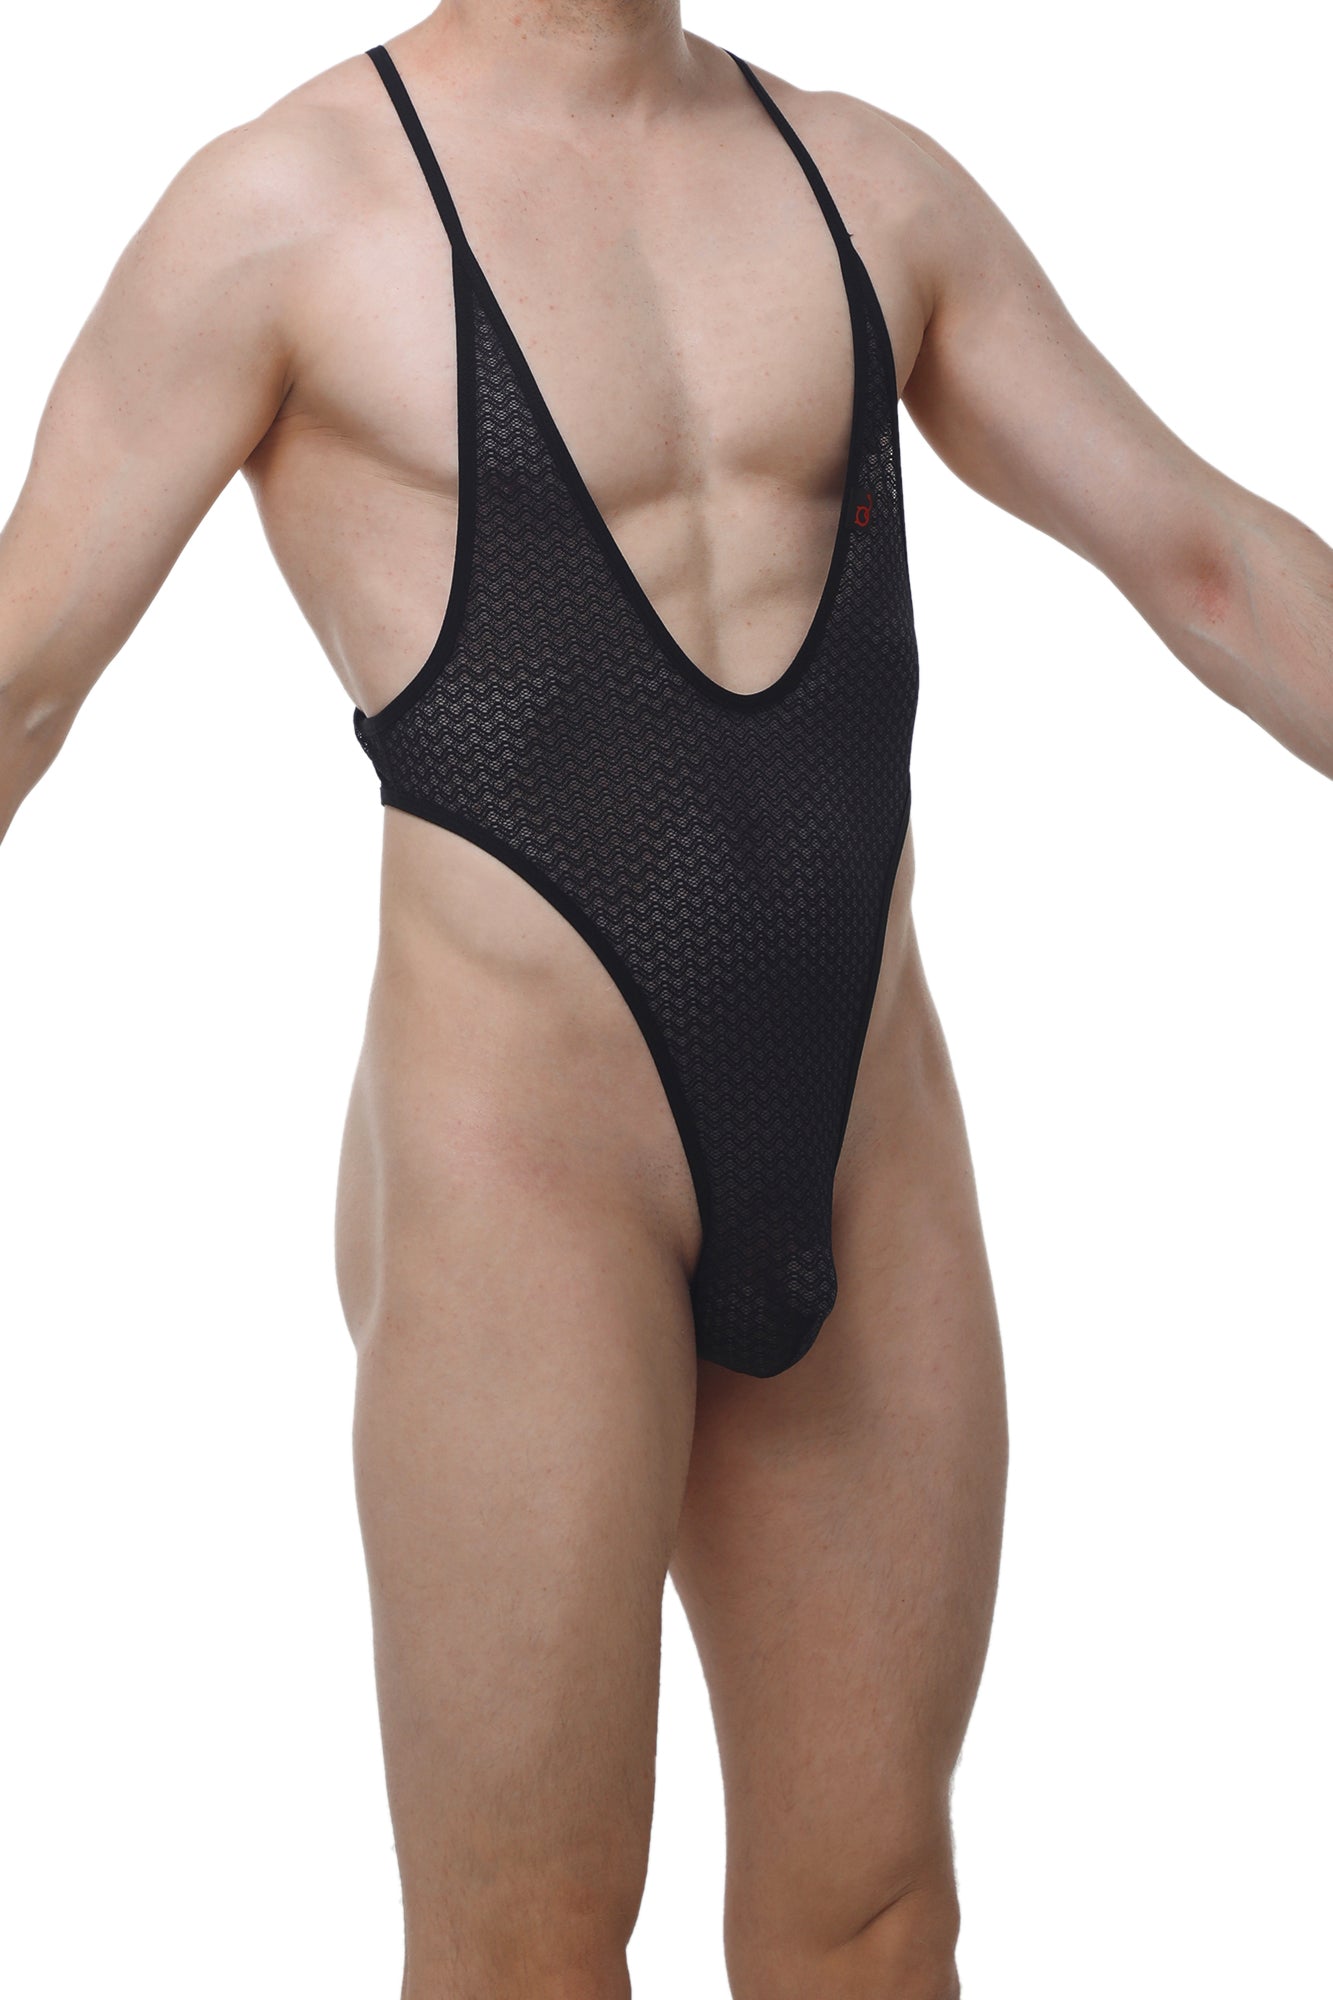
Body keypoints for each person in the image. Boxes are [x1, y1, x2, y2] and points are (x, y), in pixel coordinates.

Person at [1, 5, 1328, 1996]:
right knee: (525, 1954)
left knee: (874, 1920)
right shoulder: (284, 214)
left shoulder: (870, 185)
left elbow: (1207, 560)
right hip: (520, 1173)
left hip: (860, 1145)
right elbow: (22, 678)